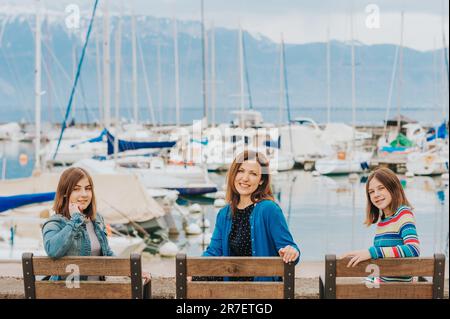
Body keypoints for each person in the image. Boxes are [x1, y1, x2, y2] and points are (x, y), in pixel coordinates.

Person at [202, 150, 300, 281]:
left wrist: (291, 251)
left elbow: (290, 247)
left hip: (262, 291)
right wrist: (192, 271)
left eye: (253, 173)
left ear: (261, 180)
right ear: (233, 174)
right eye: (241, 171)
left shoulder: (269, 209)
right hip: (230, 288)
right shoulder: (224, 214)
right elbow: (213, 252)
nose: (245, 178)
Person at [42, 167, 150, 283]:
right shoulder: (55, 223)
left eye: (88, 189)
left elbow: (107, 253)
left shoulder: (96, 220)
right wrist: (75, 220)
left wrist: (130, 270)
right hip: (67, 293)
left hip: (98, 291)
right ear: (64, 193)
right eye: (76, 189)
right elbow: (52, 251)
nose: (84, 194)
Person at [340, 167, 420, 282]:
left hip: (395, 291)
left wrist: (371, 252)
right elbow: (382, 262)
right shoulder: (382, 223)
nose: (376, 194)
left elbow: (413, 249)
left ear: (394, 188)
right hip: (382, 287)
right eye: (371, 192)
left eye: (381, 188)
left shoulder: (403, 214)